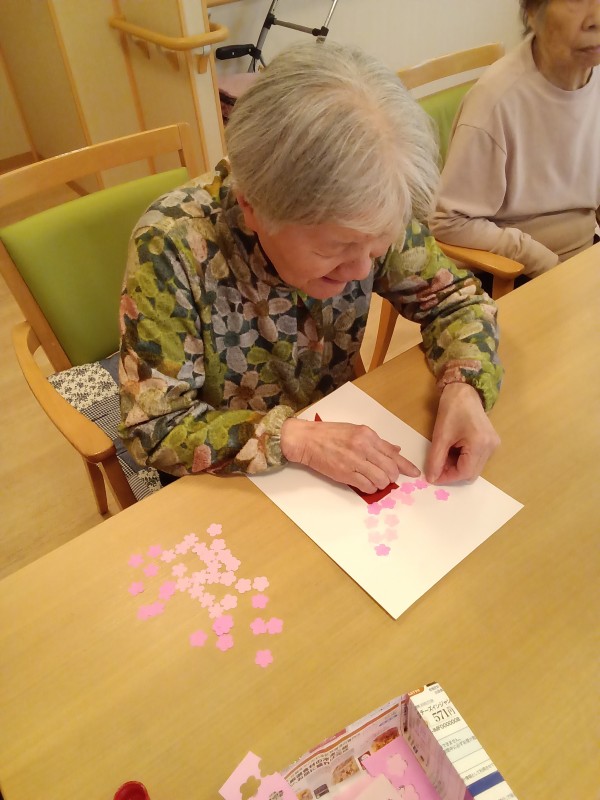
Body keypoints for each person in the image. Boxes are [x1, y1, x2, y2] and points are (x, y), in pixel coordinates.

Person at [119, 41, 502, 494]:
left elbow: (455, 302)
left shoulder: (371, 206)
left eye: (377, 248)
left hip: (338, 434)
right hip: (227, 483)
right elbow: (154, 428)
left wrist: (464, 386)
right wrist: (294, 438)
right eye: (336, 248)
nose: (361, 270)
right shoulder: (171, 246)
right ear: (252, 206)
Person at [429, 0, 600, 278]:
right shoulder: (495, 101)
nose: (596, 19)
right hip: (516, 274)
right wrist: (538, 259)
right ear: (532, 11)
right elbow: (448, 221)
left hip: (584, 257)